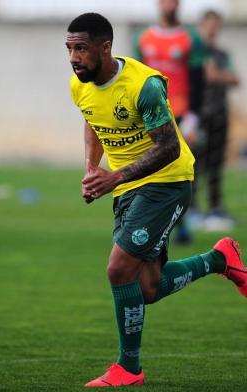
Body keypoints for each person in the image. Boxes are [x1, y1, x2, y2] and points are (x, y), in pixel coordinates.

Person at [66, 12, 247, 388]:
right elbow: (92, 120)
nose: (73, 57)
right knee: (148, 288)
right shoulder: (79, 85)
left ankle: (128, 368)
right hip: (131, 187)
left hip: (167, 181)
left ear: (105, 47)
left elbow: (167, 148)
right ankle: (219, 259)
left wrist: (113, 176)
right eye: (69, 49)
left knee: (118, 269)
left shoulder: (143, 85)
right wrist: (90, 167)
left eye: (80, 48)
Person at [133, 0, 207, 243]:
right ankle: (153, 224)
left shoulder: (190, 39)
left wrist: (193, 117)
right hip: (153, 114)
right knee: (151, 168)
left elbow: (197, 80)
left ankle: (181, 222)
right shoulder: (143, 38)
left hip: (181, 113)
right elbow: (135, 79)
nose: (170, 4)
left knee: (181, 169)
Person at [198, 10, 240, 231]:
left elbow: (235, 79)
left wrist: (217, 75)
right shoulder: (194, 51)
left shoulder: (222, 54)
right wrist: (216, 75)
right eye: (210, 24)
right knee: (194, 164)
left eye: (217, 24)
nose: (213, 28)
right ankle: (192, 210)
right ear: (202, 25)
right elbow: (207, 76)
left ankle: (215, 208)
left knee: (216, 164)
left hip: (219, 113)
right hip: (199, 116)